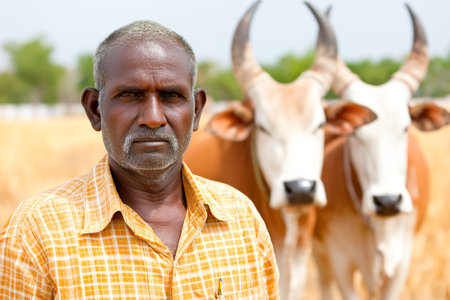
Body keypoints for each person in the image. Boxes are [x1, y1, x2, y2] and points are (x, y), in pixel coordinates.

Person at [0, 21, 279, 299]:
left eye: (172, 96)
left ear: (196, 112)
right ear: (95, 109)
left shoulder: (241, 219)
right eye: (130, 95)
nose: (154, 118)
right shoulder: (36, 231)